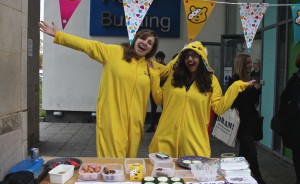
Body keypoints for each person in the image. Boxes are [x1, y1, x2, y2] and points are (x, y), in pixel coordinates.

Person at [38, 21, 172, 158]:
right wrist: (59, 35)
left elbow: (171, 70)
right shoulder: (114, 52)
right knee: (113, 161)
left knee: (130, 160)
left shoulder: (151, 66)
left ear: (151, 50)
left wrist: (186, 51)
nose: (145, 43)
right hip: (112, 119)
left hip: (135, 123)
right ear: (136, 39)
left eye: (150, 43)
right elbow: (87, 45)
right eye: (143, 38)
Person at [147, 41, 255, 158]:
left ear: (202, 58)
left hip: (194, 142)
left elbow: (219, 108)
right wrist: (154, 76)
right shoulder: (175, 77)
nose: (190, 59)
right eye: (187, 56)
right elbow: (159, 99)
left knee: (191, 174)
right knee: (164, 175)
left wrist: (236, 86)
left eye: (194, 55)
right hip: (165, 139)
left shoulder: (211, 80)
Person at [227, 54, 265, 184]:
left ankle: (234, 175)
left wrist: (255, 91)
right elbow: (232, 102)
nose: (250, 65)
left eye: (250, 63)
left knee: (244, 153)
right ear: (241, 64)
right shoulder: (234, 81)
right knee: (252, 152)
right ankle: (259, 179)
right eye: (247, 63)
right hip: (240, 123)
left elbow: (254, 102)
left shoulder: (251, 79)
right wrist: (249, 90)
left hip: (251, 122)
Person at [278, 53, 300, 184]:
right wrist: (296, 107)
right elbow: (284, 100)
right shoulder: (294, 80)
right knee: (297, 156)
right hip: (296, 126)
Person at [146, 51, 166, 133]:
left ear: (163, 59)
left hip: (162, 92)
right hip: (153, 92)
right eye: (157, 58)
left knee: (164, 110)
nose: (159, 60)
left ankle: (163, 126)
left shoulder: (164, 68)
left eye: (160, 58)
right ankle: (152, 126)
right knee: (153, 110)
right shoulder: (152, 66)